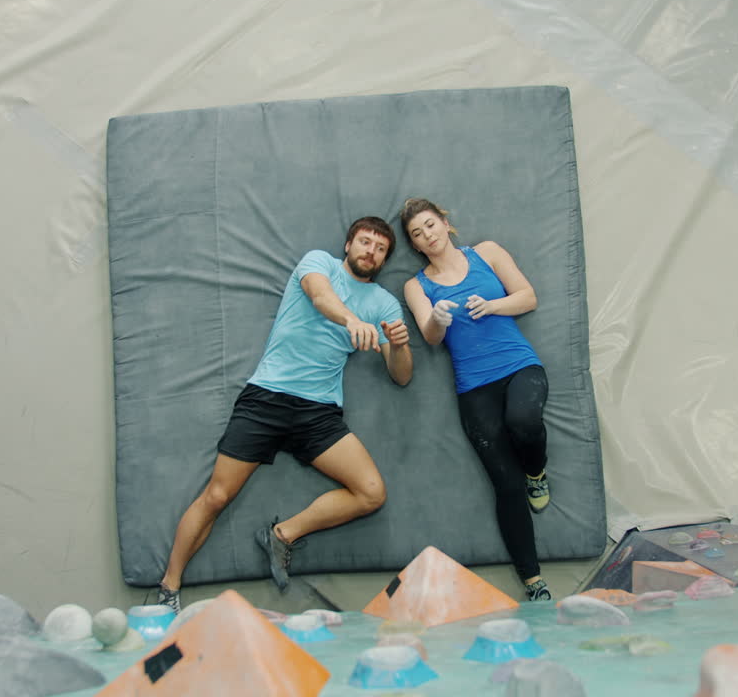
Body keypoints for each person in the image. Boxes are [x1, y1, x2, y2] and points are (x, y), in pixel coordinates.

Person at [155, 216, 412, 613]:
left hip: (320, 413)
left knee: (371, 493)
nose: (370, 252)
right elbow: (321, 298)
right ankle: (169, 587)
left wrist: (398, 345)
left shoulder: (383, 302)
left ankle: (282, 534)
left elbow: (402, 376)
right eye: (364, 242)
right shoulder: (319, 263)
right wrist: (352, 320)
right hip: (268, 399)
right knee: (217, 495)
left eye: (380, 249)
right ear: (348, 245)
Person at [398, 197, 553, 601]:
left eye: (430, 225)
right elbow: (431, 338)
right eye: (417, 234)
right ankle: (533, 580)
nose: (427, 236)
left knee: (524, 423)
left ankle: (537, 472)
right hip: (473, 386)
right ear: (414, 245)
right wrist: (437, 318)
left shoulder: (487, 252)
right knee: (505, 483)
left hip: (519, 366)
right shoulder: (417, 285)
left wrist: (493, 305)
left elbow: (528, 297)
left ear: (445, 223)